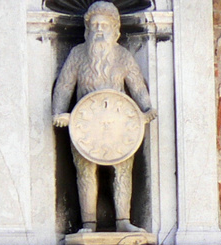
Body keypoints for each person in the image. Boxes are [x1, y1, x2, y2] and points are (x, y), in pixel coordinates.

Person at [51, 2, 155, 233]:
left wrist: (146, 109)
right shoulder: (78, 54)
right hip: (84, 126)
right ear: (87, 30)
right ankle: (88, 224)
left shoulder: (123, 55)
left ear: (115, 30)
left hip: (118, 125)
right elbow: (64, 86)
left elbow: (137, 85)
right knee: (85, 171)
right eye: (94, 25)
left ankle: (123, 221)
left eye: (104, 25)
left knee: (123, 170)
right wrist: (59, 112)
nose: (99, 29)